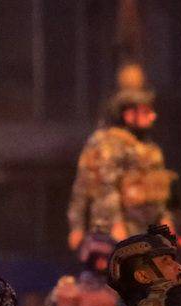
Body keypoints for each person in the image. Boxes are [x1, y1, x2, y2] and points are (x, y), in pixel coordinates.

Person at [66, 70, 175, 253]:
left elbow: (158, 192)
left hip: (145, 233)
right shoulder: (108, 143)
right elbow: (104, 190)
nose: (152, 116)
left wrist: (165, 221)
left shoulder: (150, 149)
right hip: (112, 233)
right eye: (145, 112)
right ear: (129, 115)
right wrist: (115, 225)